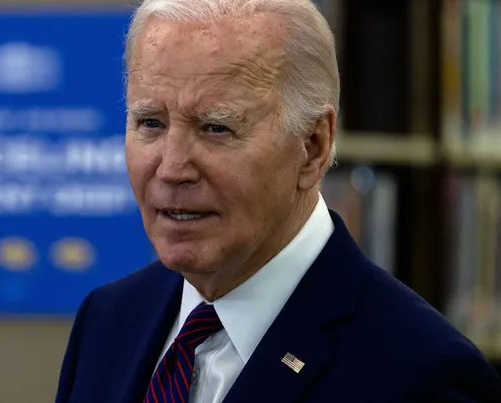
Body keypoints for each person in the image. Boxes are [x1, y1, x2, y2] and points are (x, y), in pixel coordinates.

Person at [54, 0, 501, 402]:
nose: (171, 168)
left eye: (215, 128)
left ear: (312, 146)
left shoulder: (422, 374)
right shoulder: (107, 320)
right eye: (150, 123)